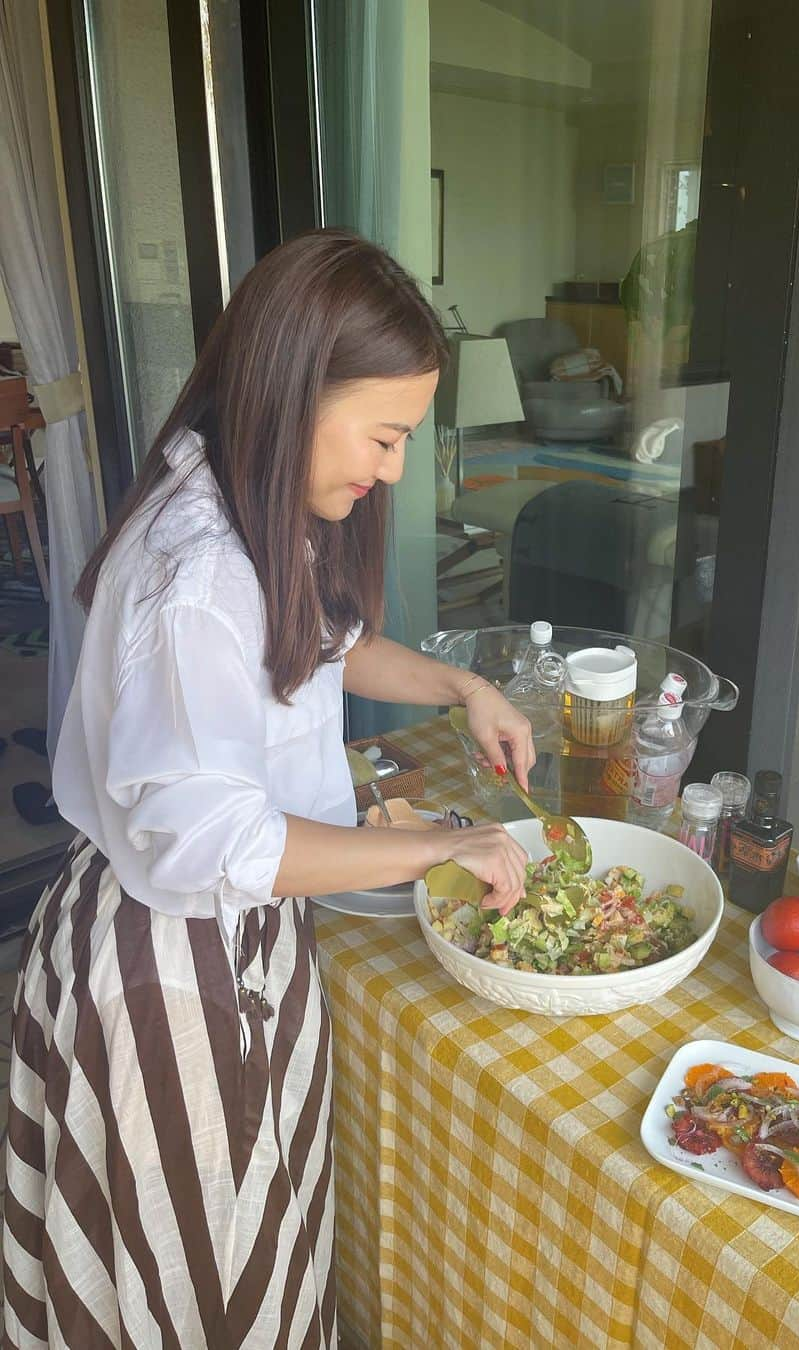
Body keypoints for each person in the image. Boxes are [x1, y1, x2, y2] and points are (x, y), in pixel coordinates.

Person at [1, 230, 533, 1348]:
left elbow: (325, 646)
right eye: (384, 436)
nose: (391, 469)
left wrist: (460, 685)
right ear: (297, 390)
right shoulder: (198, 572)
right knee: (202, 1292)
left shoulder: (250, 509)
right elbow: (209, 842)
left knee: (250, 1253)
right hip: (172, 970)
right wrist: (440, 848)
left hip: (225, 940)